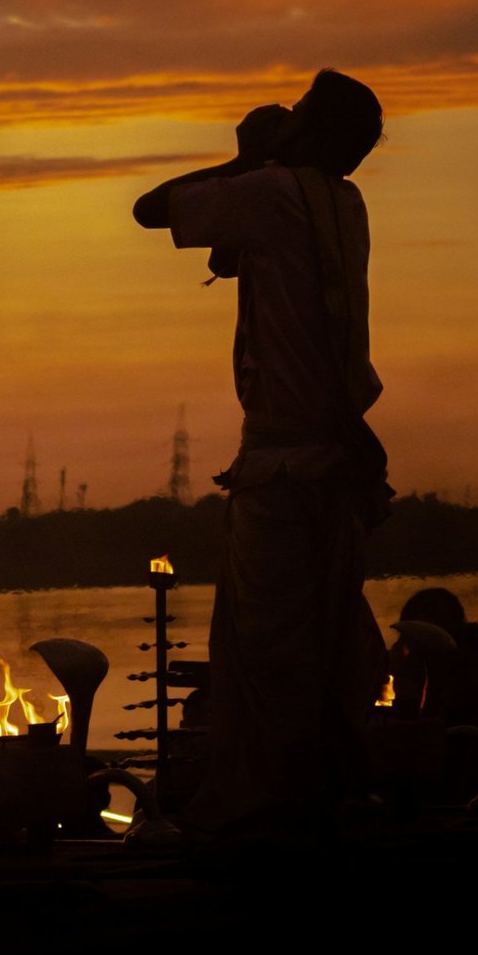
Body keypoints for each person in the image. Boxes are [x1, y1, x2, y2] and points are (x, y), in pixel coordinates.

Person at [132, 70, 392, 842]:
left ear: (308, 133)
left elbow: (150, 209)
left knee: (267, 649)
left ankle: (267, 811)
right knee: (321, 644)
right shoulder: (344, 204)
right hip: (331, 464)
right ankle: (322, 796)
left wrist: (244, 159)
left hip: (283, 472)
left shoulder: (276, 191)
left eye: (298, 115)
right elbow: (248, 262)